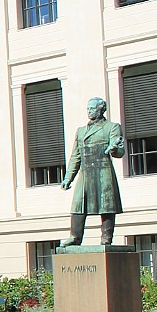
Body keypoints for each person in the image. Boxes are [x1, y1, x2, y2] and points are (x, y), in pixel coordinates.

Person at [61, 96, 125, 246]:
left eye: (92, 108)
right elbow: (75, 156)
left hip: (103, 170)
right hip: (85, 172)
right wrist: (68, 178)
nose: (89, 111)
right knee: (77, 205)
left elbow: (119, 151)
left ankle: (106, 238)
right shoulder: (81, 131)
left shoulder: (112, 127)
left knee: (107, 205)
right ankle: (75, 237)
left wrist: (114, 149)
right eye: (88, 108)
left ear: (101, 110)